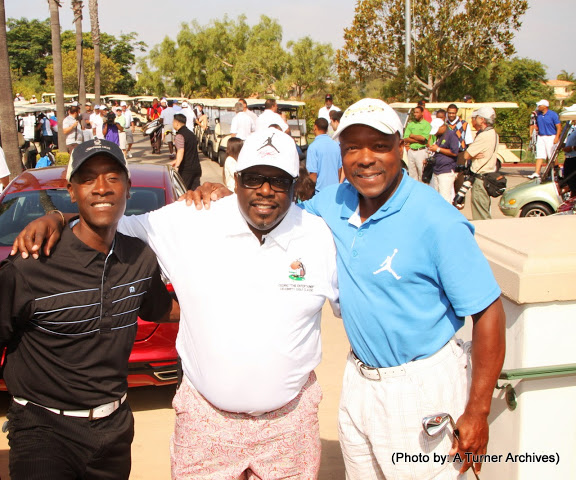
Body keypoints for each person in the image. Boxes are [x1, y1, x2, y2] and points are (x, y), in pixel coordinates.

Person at [186, 98, 505, 480]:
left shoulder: (437, 220)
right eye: (353, 147)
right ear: (341, 152)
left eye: (379, 146)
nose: (365, 158)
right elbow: (280, 208)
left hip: (421, 387)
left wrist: (478, 410)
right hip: (358, 381)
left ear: (401, 148)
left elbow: (488, 312)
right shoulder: (334, 203)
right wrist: (223, 194)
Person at [11, 128, 339, 480]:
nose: (264, 190)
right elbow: (108, 219)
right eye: (254, 178)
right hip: (206, 423)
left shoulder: (319, 236)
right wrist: (59, 218)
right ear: (237, 177)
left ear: (295, 183)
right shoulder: (193, 219)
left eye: (278, 181)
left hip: (289, 426)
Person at [0, 139, 173, 480]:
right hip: (43, 434)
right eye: (88, 178)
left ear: (128, 188)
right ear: (72, 191)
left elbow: (160, 309)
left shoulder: (140, 258)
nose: (102, 188)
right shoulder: (31, 264)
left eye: (113, 177)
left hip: (115, 433)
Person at [463, 106, 500, 220]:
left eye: (477, 117)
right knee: (484, 210)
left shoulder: (483, 136)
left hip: (480, 179)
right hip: (488, 176)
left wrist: (472, 154)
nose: (474, 120)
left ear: (482, 119)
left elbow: (466, 155)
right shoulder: (494, 134)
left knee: (481, 216)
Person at [427, 118, 460, 202]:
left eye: (437, 130)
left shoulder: (451, 135)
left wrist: (438, 149)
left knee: (445, 197)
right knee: (435, 196)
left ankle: (447, 214)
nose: (436, 133)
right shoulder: (439, 136)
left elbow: (454, 152)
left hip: (446, 170)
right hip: (437, 170)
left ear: (442, 127)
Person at [306, 117, 343, 193]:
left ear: (315, 127)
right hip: (334, 191)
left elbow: (313, 174)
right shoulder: (336, 145)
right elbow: (339, 169)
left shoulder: (313, 147)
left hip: (320, 191)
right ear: (327, 129)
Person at [530, 99, 562, 179]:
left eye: (540, 106)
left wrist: (557, 137)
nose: (538, 107)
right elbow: (534, 123)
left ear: (545, 106)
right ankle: (537, 172)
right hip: (541, 136)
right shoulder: (538, 114)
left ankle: (554, 172)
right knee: (540, 155)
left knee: (551, 156)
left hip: (551, 136)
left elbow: (558, 127)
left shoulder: (553, 114)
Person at [170, 113, 201, 190]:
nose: (172, 123)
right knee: (196, 192)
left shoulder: (179, 136)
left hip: (186, 170)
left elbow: (181, 151)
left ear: (177, 123)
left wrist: (177, 166)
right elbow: (189, 151)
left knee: (183, 192)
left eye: (173, 122)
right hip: (196, 168)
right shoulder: (191, 134)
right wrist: (175, 161)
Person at [403, 105, 432, 182]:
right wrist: (417, 140)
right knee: (412, 174)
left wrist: (412, 136)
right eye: (414, 112)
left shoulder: (426, 124)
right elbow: (406, 138)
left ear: (422, 113)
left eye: (417, 112)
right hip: (411, 151)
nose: (415, 114)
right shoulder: (411, 124)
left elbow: (423, 138)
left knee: (421, 173)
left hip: (421, 151)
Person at [563, 123, 576, 194]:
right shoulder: (570, 127)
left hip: (574, 158)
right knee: (567, 182)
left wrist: (572, 148)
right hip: (568, 157)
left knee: (573, 183)